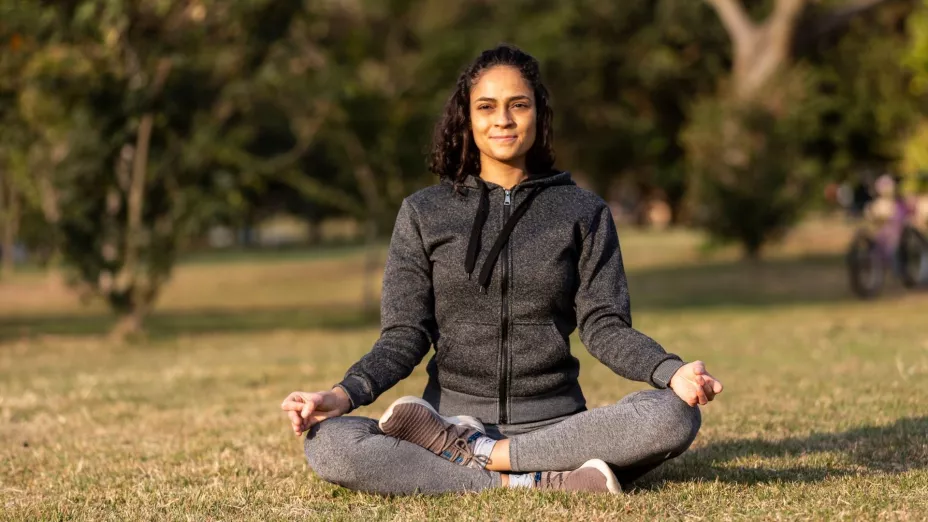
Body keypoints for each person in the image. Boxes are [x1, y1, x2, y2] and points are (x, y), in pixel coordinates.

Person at [281, 44, 724, 495]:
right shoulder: (424, 212)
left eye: (519, 105)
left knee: (674, 414)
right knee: (330, 442)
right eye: (487, 107)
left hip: (554, 424)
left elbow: (604, 326)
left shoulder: (582, 211)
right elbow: (404, 335)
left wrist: (670, 371)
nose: (503, 120)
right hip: (446, 418)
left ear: (539, 114)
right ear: (467, 118)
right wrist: (341, 395)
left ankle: (484, 458)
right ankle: (539, 483)